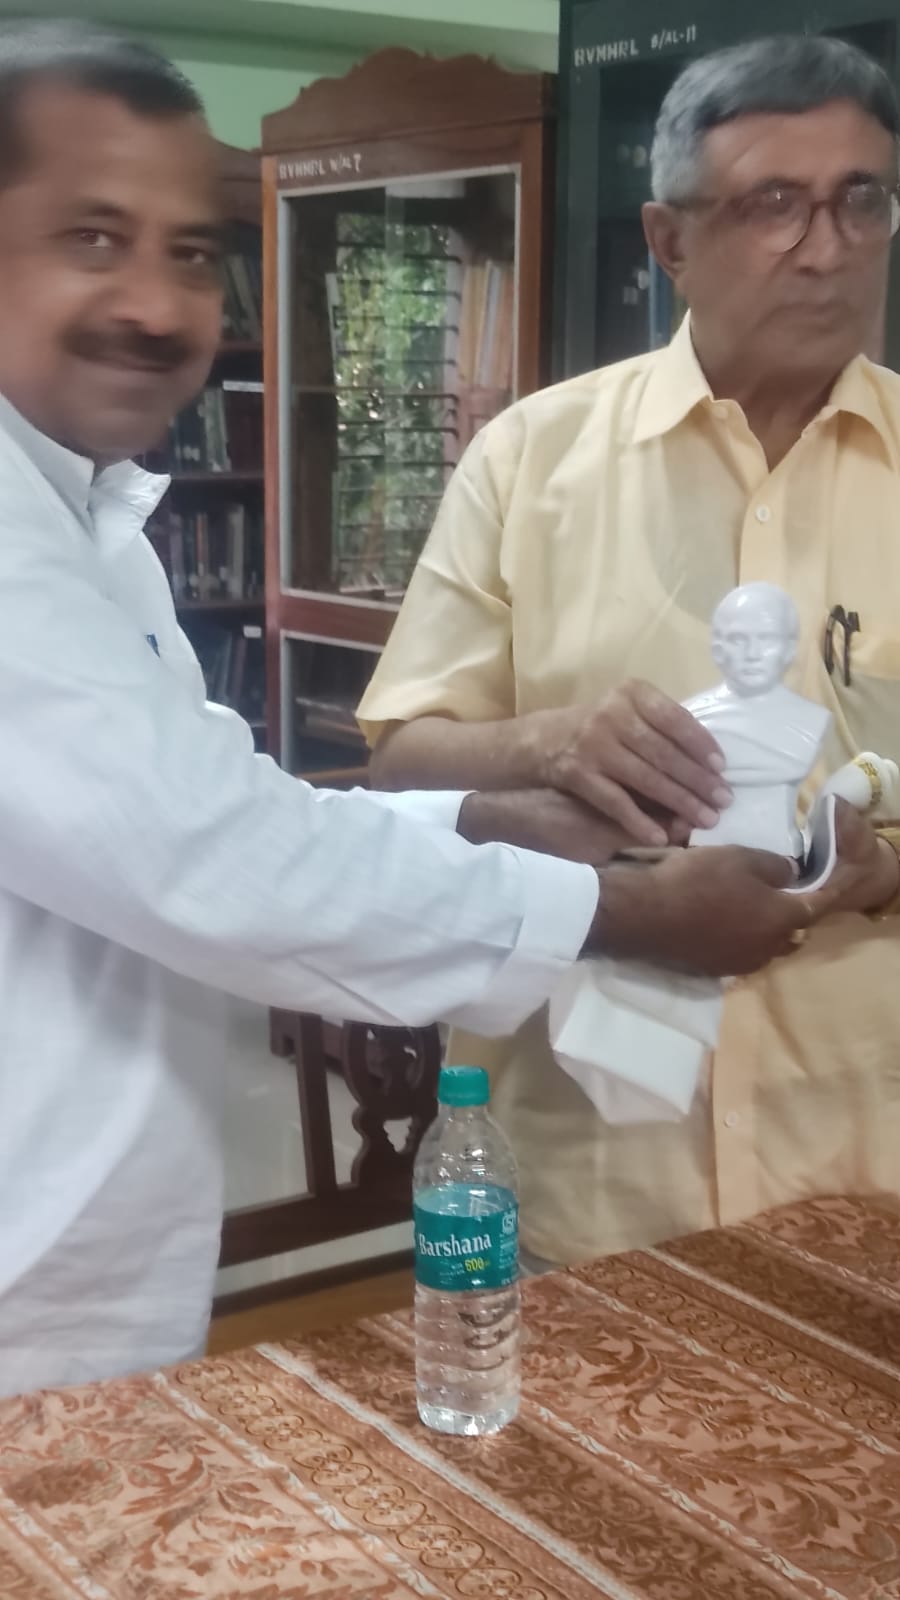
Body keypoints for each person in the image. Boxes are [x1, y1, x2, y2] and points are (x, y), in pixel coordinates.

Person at [0, 21, 820, 1398]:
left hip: (89, 1288)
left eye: (192, 251)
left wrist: (499, 821)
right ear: (668, 237)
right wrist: (622, 907)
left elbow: (230, 805)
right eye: (91, 237)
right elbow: (218, 858)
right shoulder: (533, 454)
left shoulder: (94, 521)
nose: (155, 302)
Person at [360, 33, 900, 1268]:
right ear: (668, 240)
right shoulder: (532, 459)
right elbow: (402, 766)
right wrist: (550, 746)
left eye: (861, 199)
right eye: (774, 203)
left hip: (868, 1163)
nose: (827, 248)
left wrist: (878, 869)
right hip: (594, 1176)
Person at [685, 582, 830, 855]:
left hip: (780, 845)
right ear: (718, 649)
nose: (752, 654)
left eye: (767, 639)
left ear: (789, 648)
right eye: (738, 639)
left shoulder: (811, 721)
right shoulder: (692, 718)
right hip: (705, 847)